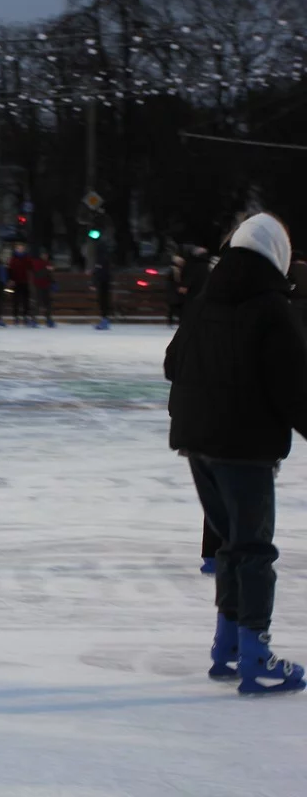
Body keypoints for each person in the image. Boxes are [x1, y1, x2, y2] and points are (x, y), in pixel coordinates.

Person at [164, 212, 305, 695]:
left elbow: (171, 362)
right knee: (254, 549)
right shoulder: (272, 308)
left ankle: (226, 646)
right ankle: (255, 655)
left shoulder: (205, 299)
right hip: (244, 447)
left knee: (229, 545)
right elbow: (295, 389)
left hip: (196, 442)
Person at [8, 244, 34, 327]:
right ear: (16, 249)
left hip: (25, 281)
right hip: (16, 282)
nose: (20, 250)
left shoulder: (27, 258)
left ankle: (25, 316)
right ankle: (16, 317)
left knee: (25, 300)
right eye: (19, 248)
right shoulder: (13, 259)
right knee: (16, 300)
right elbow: (10, 269)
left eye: (22, 248)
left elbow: (31, 267)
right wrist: (11, 279)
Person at [32, 251, 56, 328]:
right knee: (37, 303)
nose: (45, 256)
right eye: (43, 255)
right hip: (38, 285)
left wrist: (53, 281)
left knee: (48, 303)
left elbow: (49, 275)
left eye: (46, 255)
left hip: (47, 285)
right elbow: (38, 274)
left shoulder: (48, 263)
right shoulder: (37, 263)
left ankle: (48, 319)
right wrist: (47, 269)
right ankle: (34, 319)